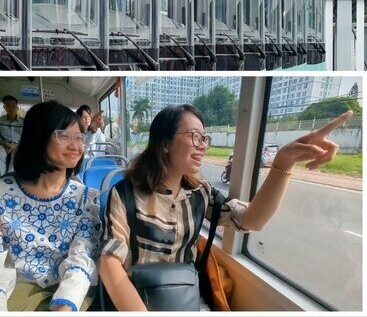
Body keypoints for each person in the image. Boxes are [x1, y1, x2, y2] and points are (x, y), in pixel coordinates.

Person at [99, 104, 352, 311]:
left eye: (204, 138)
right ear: (164, 143)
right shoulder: (125, 194)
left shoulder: (200, 192)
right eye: (194, 136)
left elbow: (252, 220)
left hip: (183, 298)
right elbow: (110, 262)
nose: (203, 145)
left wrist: (283, 162)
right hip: (134, 300)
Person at [0, 101, 102, 312]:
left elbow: (83, 256)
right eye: (64, 136)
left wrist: (66, 306)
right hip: (4, 291)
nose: (76, 146)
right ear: (38, 138)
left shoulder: (85, 199)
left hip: (69, 291)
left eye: (79, 137)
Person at [0, 95, 24, 177]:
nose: (11, 108)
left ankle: (11, 178)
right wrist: (5, 144)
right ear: (4, 107)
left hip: (19, 145)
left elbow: (27, 137)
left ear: (17, 107)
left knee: (16, 155)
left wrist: (17, 146)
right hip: (3, 144)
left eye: (13, 105)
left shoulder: (24, 122)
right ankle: (1, 178)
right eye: (8, 105)